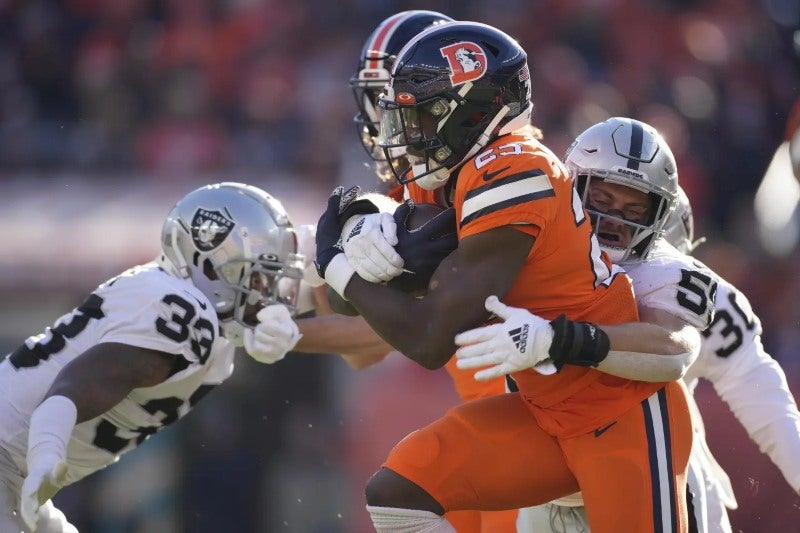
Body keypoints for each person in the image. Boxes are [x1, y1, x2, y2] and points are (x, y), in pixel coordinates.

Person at [314, 23, 695, 532]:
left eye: (427, 113)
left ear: (474, 112)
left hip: (617, 410)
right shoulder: (461, 174)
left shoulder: (517, 170)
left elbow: (429, 340)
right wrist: (367, 222)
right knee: (400, 492)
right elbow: (354, 304)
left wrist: (340, 267)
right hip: (541, 411)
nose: (411, 130)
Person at [1, 182, 309, 532]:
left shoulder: (196, 318)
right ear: (211, 268)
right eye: (259, 279)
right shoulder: (186, 313)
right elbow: (72, 386)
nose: (269, 296)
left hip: (15, 472)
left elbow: (327, 282)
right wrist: (45, 455)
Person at [506, 185, 800, 533]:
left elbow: (759, 391)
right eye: (603, 205)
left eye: (633, 214)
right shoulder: (538, 266)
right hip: (556, 482)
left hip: (655, 473)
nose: (614, 230)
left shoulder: (687, 286)